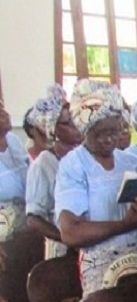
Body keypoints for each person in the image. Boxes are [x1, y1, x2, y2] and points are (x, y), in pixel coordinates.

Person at [56, 80, 137, 295]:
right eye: (100, 133)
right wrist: (125, 224)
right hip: (103, 270)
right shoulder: (74, 165)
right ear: (86, 129)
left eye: (114, 131)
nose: (109, 139)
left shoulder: (130, 161)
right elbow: (71, 232)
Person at [25, 85, 82, 258]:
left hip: (89, 241)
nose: (75, 127)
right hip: (63, 250)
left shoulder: (82, 156)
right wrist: (67, 239)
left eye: (75, 120)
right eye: (66, 123)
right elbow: (34, 219)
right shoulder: (44, 164)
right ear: (53, 129)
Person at [0, 98, 30, 242]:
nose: (5, 114)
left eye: (2, 107)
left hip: (26, 222)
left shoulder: (13, 140)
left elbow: (27, 177)